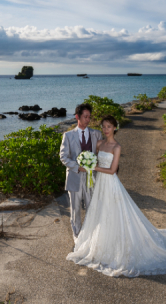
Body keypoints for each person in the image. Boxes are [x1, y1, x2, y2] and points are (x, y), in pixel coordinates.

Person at [66, 115, 166, 277]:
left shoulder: (117, 146)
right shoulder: (99, 144)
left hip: (110, 183)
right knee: (101, 212)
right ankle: (102, 242)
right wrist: (88, 163)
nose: (106, 129)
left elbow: (112, 170)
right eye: (104, 126)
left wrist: (93, 168)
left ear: (115, 128)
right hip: (100, 183)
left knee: (114, 212)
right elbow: (95, 159)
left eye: (109, 126)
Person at [59, 103, 103, 241]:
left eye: (89, 117)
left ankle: (91, 237)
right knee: (75, 209)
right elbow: (63, 157)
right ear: (77, 117)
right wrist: (77, 167)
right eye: (85, 117)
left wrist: (96, 163)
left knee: (92, 208)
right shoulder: (68, 135)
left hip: (91, 178)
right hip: (74, 177)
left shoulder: (97, 134)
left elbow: (100, 155)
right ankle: (77, 237)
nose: (88, 120)